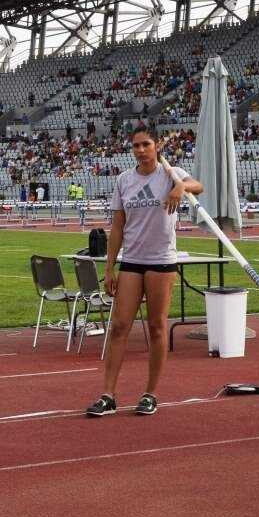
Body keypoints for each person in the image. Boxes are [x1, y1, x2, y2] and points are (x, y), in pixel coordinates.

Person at [86, 128, 203, 417]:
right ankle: (108, 394)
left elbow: (198, 185)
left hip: (161, 260)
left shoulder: (170, 172)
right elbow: (117, 226)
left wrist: (181, 187)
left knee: (156, 326)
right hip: (132, 260)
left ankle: (150, 393)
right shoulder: (124, 180)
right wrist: (110, 266)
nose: (140, 150)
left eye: (146, 144)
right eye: (136, 145)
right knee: (119, 326)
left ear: (156, 145)